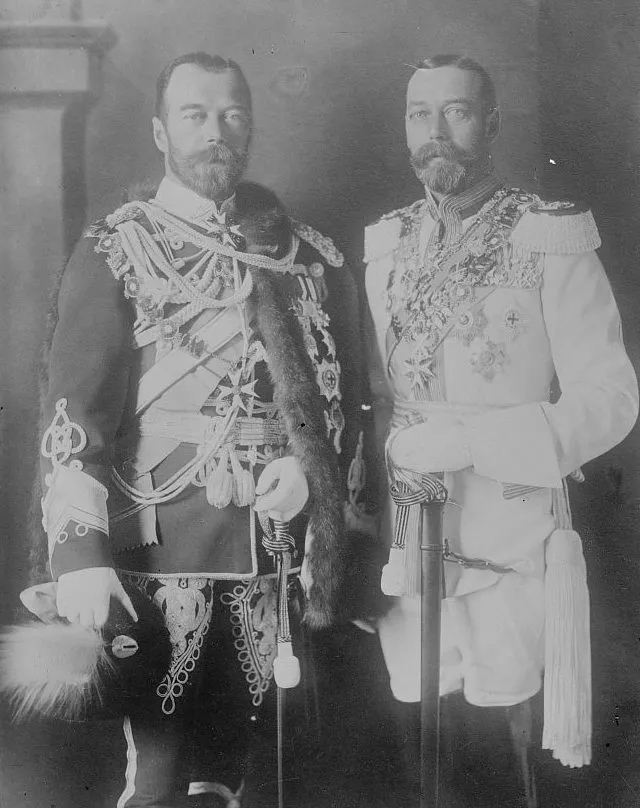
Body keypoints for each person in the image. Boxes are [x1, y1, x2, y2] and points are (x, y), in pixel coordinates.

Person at [27, 52, 369, 808]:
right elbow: (72, 415)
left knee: (240, 769)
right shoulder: (117, 248)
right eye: (195, 114)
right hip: (159, 547)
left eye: (232, 114)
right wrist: (78, 554)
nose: (217, 132)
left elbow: (338, 397)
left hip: (271, 546)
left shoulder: (301, 253)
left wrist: (309, 473)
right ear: (160, 131)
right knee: (158, 776)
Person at [364, 53, 638, 792]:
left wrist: (477, 442)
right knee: (428, 760)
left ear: (490, 124)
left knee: (507, 757)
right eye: (421, 114)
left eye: (455, 112)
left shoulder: (549, 237)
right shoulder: (386, 245)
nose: (437, 132)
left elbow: (612, 396)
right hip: (409, 535)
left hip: (511, 537)